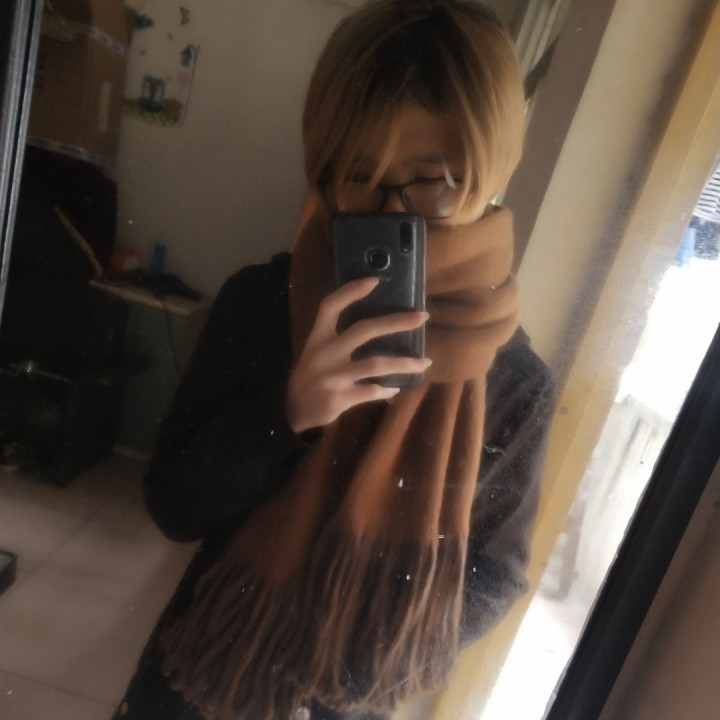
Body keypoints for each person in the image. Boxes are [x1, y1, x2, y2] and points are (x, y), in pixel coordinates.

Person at [113, 2, 555, 719]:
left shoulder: (515, 383)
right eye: (360, 174)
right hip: (196, 688)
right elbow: (174, 506)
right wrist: (287, 415)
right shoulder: (262, 303)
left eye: (435, 179)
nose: (392, 212)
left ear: (493, 168)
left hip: (349, 703)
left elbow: (494, 575)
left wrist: (360, 659)